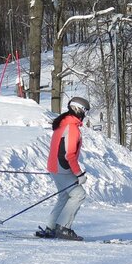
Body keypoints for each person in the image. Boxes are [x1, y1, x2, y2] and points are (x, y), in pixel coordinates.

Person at [36, 96, 90, 240]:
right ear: (78, 109)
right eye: (85, 111)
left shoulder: (63, 124)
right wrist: (79, 174)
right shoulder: (71, 128)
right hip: (62, 167)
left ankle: (51, 228)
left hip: (55, 167)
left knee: (65, 196)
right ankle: (64, 228)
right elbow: (69, 154)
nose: (85, 115)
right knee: (79, 194)